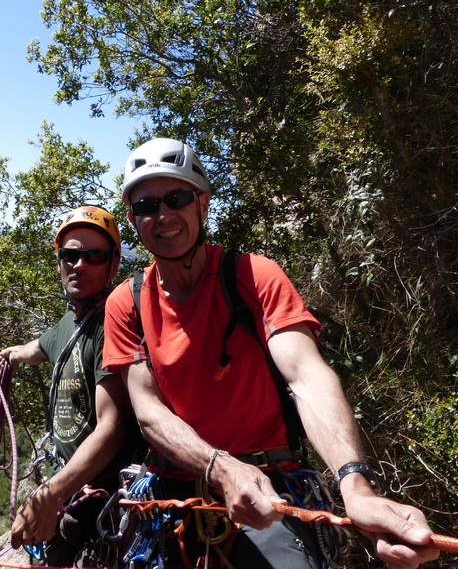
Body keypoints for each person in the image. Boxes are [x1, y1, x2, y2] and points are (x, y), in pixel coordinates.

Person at [102, 138, 440, 569]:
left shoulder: (252, 275)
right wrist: (221, 468)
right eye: (147, 206)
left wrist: (355, 487)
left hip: (268, 482)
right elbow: (148, 413)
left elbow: (306, 376)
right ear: (133, 218)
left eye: (177, 199)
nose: (163, 215)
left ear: (202, 204)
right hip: (176, 489)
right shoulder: (127, 302)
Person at [0, 205, 142, 567]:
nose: (80, 265)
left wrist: (51, 493)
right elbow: (36, 349)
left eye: (95, 256)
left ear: (113, 265)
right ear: (59, 261)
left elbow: (112, 430)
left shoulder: (112, 323)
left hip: (101, 498)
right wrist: (6, 357)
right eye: (70, 255)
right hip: (70, 485)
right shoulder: (69, 323)